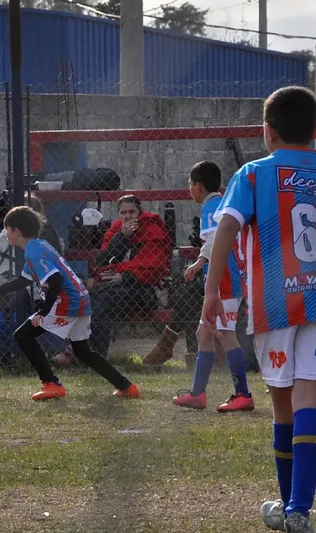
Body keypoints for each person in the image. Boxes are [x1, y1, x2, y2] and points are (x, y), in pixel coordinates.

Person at [201, 86, 316, 533]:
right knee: (313, 398)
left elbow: (227, 227)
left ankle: (290, 502)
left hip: (273, 304)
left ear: (267, 132)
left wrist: (212, 291)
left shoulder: (253, 175)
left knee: (282, 404)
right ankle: (299, 508)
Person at [0, 206, 140, 400]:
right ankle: (126, 386)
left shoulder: (33, 252)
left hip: (68, 302)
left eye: (7, 229)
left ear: (17, 231)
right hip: (81, 299)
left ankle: (51, 383)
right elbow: (24, 280)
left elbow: (55, 280)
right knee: (83, 352)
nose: (5, 233)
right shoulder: (39, 245)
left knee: (23, 335)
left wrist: (43, 312)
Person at [169, 161, 254, 412]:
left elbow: (217, 238)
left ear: (197, 186)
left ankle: (243, 394)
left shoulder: (211, 207)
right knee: (204, 334)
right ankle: (198, 394)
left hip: (225, 280)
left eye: (189, 185)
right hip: (227, 278)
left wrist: (202, 261)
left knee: (225, 334)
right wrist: (200, 262)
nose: (189, 190)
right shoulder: (222, 203)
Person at [59, 195, 170, 364]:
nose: (127, 216)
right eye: (123, 212)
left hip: (142, 291)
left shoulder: (151, 229)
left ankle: (94, 357)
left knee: (103, 301)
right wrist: (122, 236)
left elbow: (153, 267)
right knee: (88, 298)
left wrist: (124, 276)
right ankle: (83, 352)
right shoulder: (116, 230)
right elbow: (103, 261)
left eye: (132, 212)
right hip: (114, 288)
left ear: (139, 213)